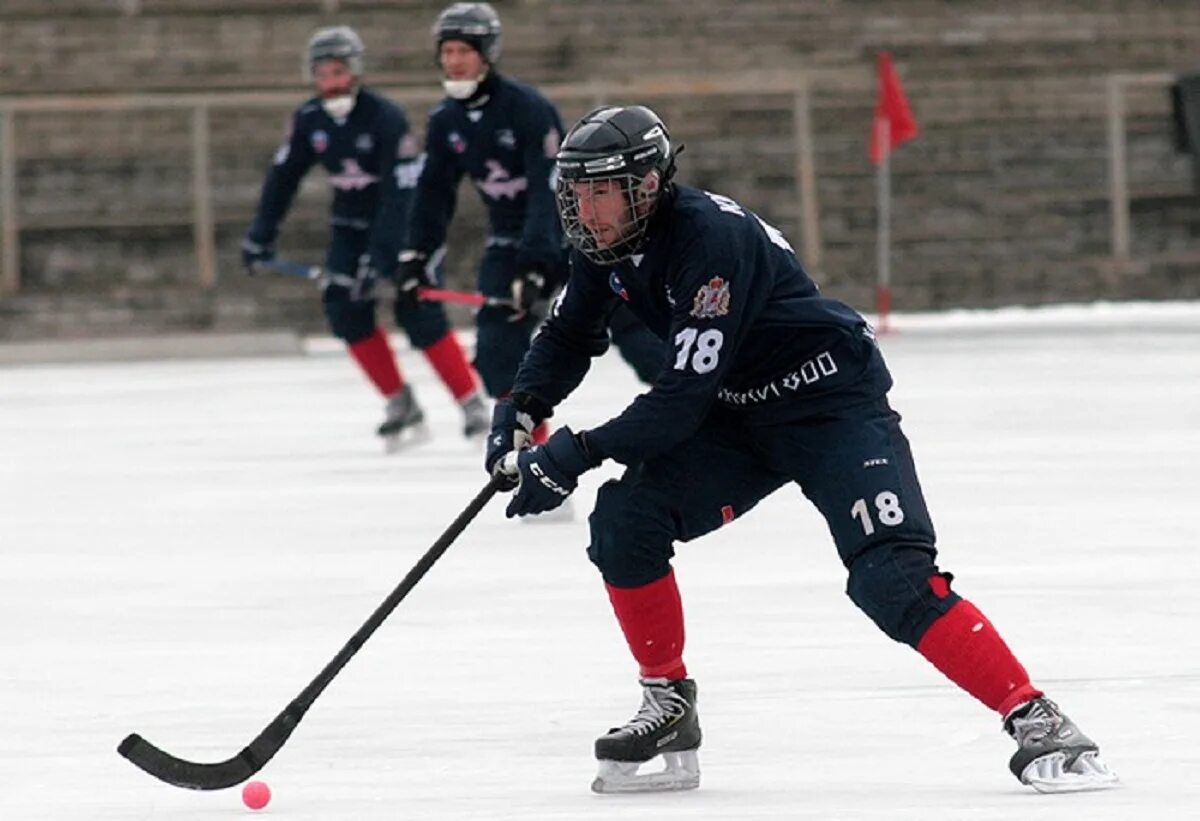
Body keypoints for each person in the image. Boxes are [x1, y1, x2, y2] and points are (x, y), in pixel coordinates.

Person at [484, 105, 1119, 795]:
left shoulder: (710, 241)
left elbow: (676, 403)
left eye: (600, 189)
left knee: (891, 577)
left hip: (828, 406)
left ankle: (1037, 715)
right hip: (739, 414)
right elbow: (571, 333)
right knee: (625, 521)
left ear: (650, 183)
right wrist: (520, 406)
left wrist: (574, 450)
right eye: (575, 191)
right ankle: (668, 703)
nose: (585, 208)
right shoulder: (606, 245)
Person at [394, 2, 661, 448]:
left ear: (487, 53)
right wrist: (415, 256)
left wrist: (536, 265)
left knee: (637, 334)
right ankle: (531, 458)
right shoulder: (445, 120)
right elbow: (433, 193)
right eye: (448, 51)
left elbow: (549, 192)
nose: (454, 61)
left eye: (464, 50)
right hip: (509, 241)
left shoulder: (528, 108)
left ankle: (705, 414)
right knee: (498, 353)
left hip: (575, 237)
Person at [241, 25, 487, 451]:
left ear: (354, 72)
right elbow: (283, 178)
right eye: (321, 74)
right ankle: (400, 402)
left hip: (405, 225)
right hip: (350, 228)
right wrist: (259, 235)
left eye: (337, 72)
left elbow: (399, 196)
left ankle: (470, 403)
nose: (329, 83)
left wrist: (381, 259)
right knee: (344, 310)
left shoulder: (385, 118)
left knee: (419, 313)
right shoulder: (309, 120)